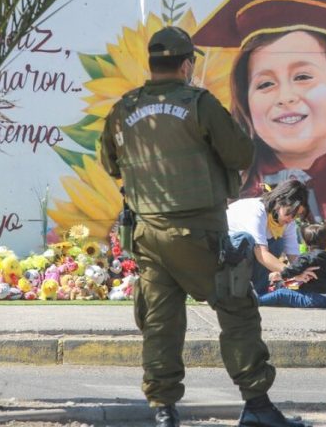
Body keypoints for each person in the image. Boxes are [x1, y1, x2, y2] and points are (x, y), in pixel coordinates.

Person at [99, 26, 305, 427]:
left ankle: (162, 410)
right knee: (237, 308)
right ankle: (258, 404)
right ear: (187, 63)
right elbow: (240, 152)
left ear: (152, 63)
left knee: (160, 321)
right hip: (200, 234)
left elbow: (110, 163)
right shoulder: (199, 103)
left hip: (148, 235)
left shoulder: (125, 107)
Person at [192, 0, 326, 240]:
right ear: (247, 102)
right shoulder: (234, 187)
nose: (285, 97)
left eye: (303, 76)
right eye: (265, 83)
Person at [226, 179, 315, 296]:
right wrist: (293, 272)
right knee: (246, 240)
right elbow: (262, 255)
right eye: (290, 213)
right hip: (222, 252)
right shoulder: (256, 211)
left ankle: (258, 292)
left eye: (296, 215)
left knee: (277, 243)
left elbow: (293, 255)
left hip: (250, 253)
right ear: (279, 201)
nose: (291, 219)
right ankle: (231, 290)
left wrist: (304, 272)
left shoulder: (288, 221)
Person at [260, 223, 326, 308]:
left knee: (280, 293)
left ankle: (256, 301)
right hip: (325, 299)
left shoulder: (307, 257)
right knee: (285, 289)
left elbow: (294, 269)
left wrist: (280, 275)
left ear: (307, 243)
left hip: (310, 298)